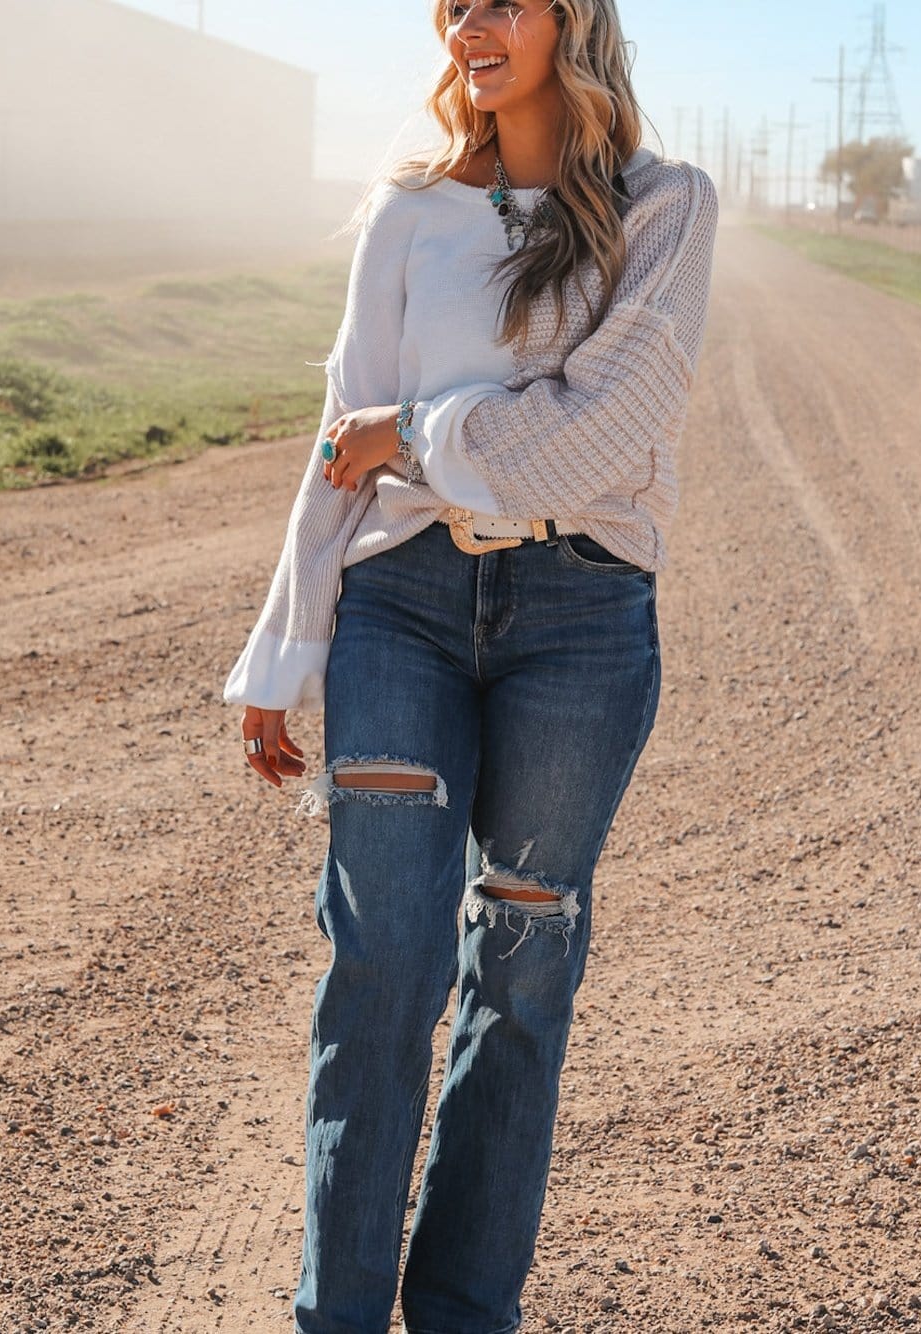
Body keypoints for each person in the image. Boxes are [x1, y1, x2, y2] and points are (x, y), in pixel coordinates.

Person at [224, 1, 718, 1329]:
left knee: (523, 971)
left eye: (503, 0)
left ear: (571, 18)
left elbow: (602, 436)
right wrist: (284, 644)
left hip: (580, 617)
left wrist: (415, 432)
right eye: (454, 4)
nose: (470, 27)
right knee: (381, 964)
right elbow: (337, 444)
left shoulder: (665, 207)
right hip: (401, 606)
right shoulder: (408, 212)